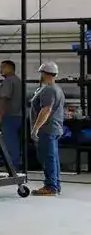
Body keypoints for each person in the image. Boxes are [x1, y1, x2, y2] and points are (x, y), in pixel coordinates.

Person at [30, 60, 67, 197]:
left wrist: (36, 128)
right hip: (54, 128)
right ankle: (55, 185)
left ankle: (51, 187)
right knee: (53, 158)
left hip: (47, 129)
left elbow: (46, 110)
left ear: (44, 74)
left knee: (47, 158)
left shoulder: (49, 90)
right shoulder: (56, 89)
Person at [0, 59, 26, 173]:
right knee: (13, 140)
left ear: (9, 68)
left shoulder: (8, 81)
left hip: (9, 116)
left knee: (10, 141)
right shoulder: (18, 81)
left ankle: (12, 166)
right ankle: (14, 164)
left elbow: (4, 99)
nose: (0, 70)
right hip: (18, 115)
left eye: (2, 67)